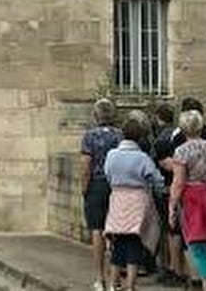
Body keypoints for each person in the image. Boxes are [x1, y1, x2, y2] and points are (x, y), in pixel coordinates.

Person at [168, 109, 206, 291]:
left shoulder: (181, 151)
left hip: (193, 198)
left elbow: (178, 182)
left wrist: (172, 206)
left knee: (197, 244)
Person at [104, 113, 165, 290]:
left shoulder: (111, 155)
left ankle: (113, 283)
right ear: (139, 137)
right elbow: (157, 179)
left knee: (119, 241)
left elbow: (108, 175)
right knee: (134, 242)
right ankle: (130, 285)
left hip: (118, 199)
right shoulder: (142, 158)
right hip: (138, 200)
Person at [81, 98, 125, 291]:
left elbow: (85, 166)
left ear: (95, 115)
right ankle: (115, 278)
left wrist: (84, 188)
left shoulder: (89, 136)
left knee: (97, 230)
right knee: (116, 231)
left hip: (97, 185)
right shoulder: (120, 135)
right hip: (116, 185)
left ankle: (100, 279)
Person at [149, 103, 186, 284]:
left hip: (167, 187)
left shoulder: (163, 138)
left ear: (158, 117)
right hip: (179, 186)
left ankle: (173, 268)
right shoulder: (179, 134)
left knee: (171, 229)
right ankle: (173, 267)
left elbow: (158, 161)